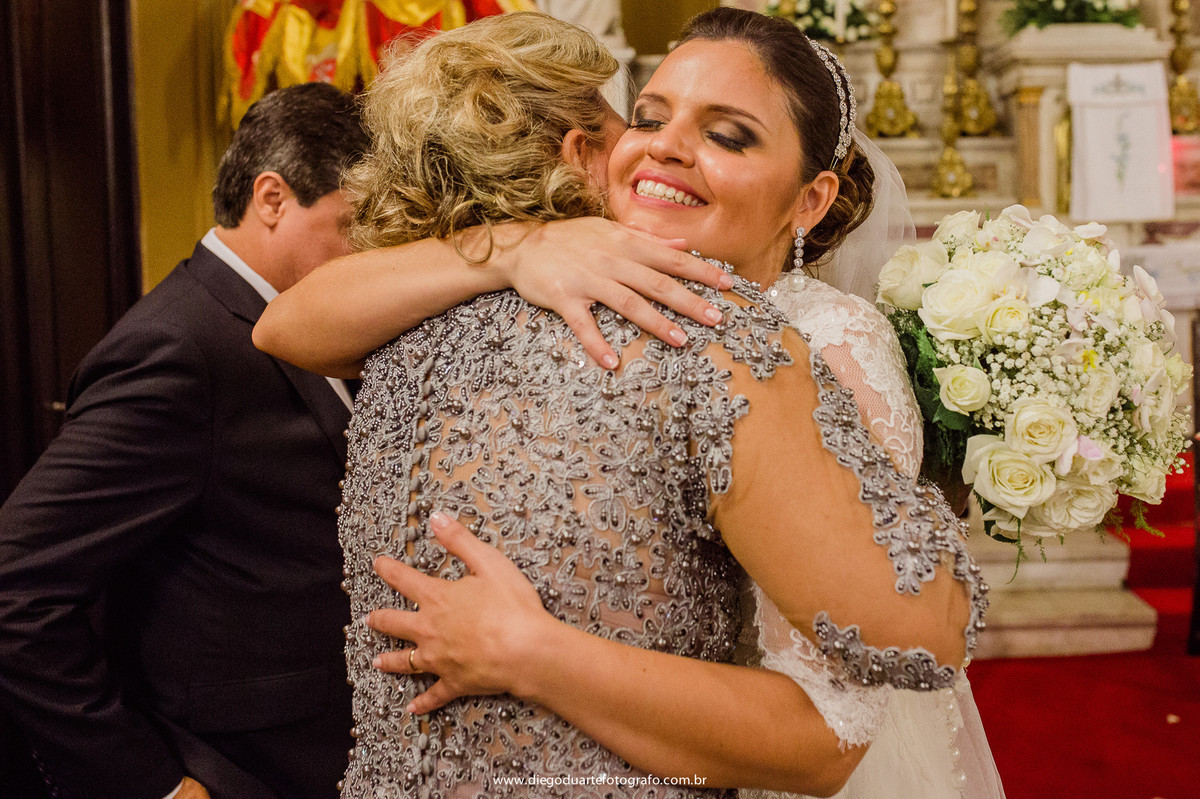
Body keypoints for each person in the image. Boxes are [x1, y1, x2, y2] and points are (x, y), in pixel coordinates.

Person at [260, 10, 992, 797]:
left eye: (729, 135)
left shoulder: (806, 340)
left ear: (810, 200)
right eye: (647, 117)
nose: (665, 145)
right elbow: (283, 325)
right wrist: (517, 248)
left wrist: (533, 652)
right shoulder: (545, 293)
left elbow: (874, 670)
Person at [0, 83, 368, 799]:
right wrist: (152, 785)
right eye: (354, 222)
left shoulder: (316, 319)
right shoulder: (176, 346)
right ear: (272, 198)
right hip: (238, 766)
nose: (371, 250)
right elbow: (15, 587)